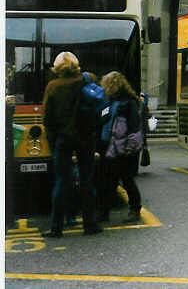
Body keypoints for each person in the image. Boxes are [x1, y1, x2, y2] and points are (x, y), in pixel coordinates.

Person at [41, 51, 101, 237]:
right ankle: (90, 225)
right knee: (86, 181)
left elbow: (47, 119)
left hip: (63, 139)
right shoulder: (88, 79)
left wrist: (55, 137)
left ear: (56, 68)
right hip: (86, 138)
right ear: (77, 65)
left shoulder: (53, 86)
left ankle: (56, 228)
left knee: (62, 182)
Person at [98, 71, 143, 224]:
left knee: (126, 180)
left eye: (108, 84)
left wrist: (130, 148)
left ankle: (134, 209)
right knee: (108, 182)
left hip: (122, 149)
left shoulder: (128, 103)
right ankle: (104, 212)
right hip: (110, 147)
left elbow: (134, 127)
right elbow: (103, 119)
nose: (106, 88)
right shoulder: (110, 101)